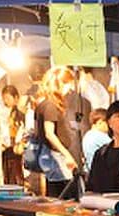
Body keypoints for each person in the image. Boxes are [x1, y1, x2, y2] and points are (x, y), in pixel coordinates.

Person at [34, 66, 78, 197]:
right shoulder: (50, 105)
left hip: (50, 155)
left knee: (56, 193)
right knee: (62, 195)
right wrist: (67, 155)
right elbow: (50, 134)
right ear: (60, 83)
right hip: (55, 156)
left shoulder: (44, 104)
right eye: (67, 84)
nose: (69, 89)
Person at [0, 85, 25, 186]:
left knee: (17, 175)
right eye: (4, 98)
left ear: (16, 98)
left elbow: (22, 131)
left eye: (8, 98)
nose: (6, 101)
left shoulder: (21, 113)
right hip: (5, 148)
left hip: (16, 148)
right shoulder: (3, 113)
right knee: (7, 175)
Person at [81, 108, 110, 173]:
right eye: (107, 123)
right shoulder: (99, 136)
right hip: (100, 172)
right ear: (100, 122)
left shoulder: (88, 135)